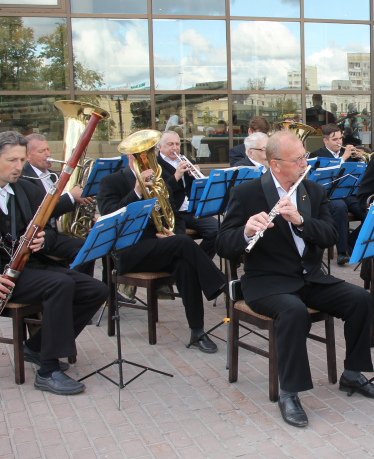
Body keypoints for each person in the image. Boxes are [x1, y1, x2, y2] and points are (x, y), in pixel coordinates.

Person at [216, 132, 374, 428]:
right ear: (276, 164)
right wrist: (246, 232)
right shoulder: (248, 193)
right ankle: (289, 392)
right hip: (266, 282)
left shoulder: (313, 192)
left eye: (304, 156)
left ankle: (353, 374)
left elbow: (332, 235)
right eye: (298, 159)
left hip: (309, 278)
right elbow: (223, 245)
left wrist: (302, 221)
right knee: (292, 312)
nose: (305, 162)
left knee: (360, 299)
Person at [0, 132, 106, 395]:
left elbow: (48, 231)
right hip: (4, 277)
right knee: (59, 284)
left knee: (96, 290)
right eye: (11, 160)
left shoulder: (25, 188)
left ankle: (35, 347)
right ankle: (48, 371)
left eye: (21, 160)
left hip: (29, 267)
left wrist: (43, 241)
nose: (18, 167)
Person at [97, 149, 226, 354]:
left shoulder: (159, 180)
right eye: (141, 157)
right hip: (127, 251)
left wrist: (172, 234)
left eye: (149, 156)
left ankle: (197, 331)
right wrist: (137, 191)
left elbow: (173, 213)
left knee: (185, 265)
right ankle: (220, 284)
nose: (147, 162)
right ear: (130, 157)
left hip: (158, 245)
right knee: (183, 244)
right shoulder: (111, 181)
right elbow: (109, 216)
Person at [21, 134, 95, 275]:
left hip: (59, 232)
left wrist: (87, 218)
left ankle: (92, 287)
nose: (47, 154)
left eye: (48, 149)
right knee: (87, 248)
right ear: (27, 156)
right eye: (41, 151)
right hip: (44, 237)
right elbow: (40, 211)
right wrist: (71, 197)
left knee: (98, 241)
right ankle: (78, 284)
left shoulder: (53, 175)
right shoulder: (25, 179)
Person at [157, 131, 218, 260]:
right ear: (160, 147)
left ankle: (199, 262)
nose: (175, 147)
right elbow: (160, 192)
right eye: (170, 144)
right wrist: (176, 177)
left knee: (218, 230)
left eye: (177, 144)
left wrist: (197, 177)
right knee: (179, 241)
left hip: (191, 210)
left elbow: (196, 188)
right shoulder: (156, 165)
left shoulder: (188, 161)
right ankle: (192, 266)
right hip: (171, 213)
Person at [308, 125, 363, 265]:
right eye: (334, 139)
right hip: (329, 195)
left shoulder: (348, 153)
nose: (339, 142)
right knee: (339, 208)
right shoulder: (316, 155)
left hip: (349, 193)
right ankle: (342, 252)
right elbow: (320, 177)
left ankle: (351, 240)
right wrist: (343, 158)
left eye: (340, 138)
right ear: (325, 141)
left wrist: (361, 160)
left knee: (368, 210)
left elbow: (359, 174)